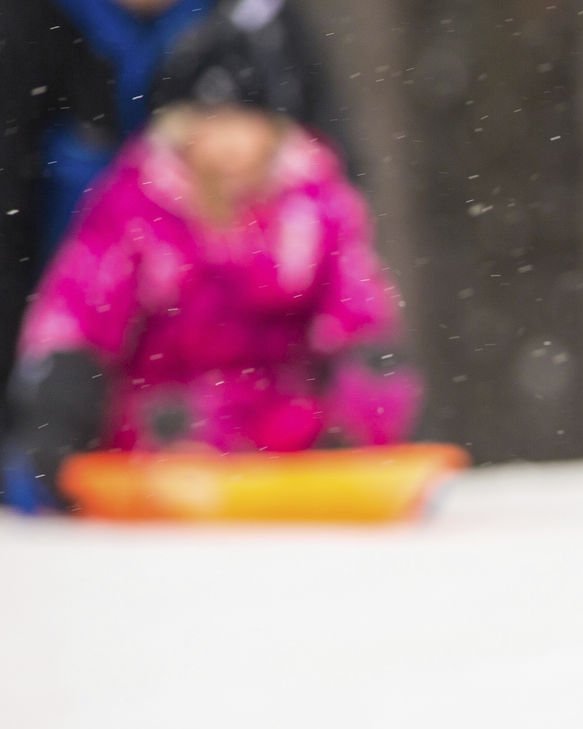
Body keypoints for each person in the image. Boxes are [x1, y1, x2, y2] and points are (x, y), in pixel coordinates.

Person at [2, 13, 414, 512]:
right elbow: (77, 319)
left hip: (288, 431)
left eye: (244, 124)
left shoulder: (314, 204)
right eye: (209, 125)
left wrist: (364, 419)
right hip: (163, 431)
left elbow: (360, 316)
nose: (228, 144)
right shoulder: (136, 207)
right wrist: (56, 424)